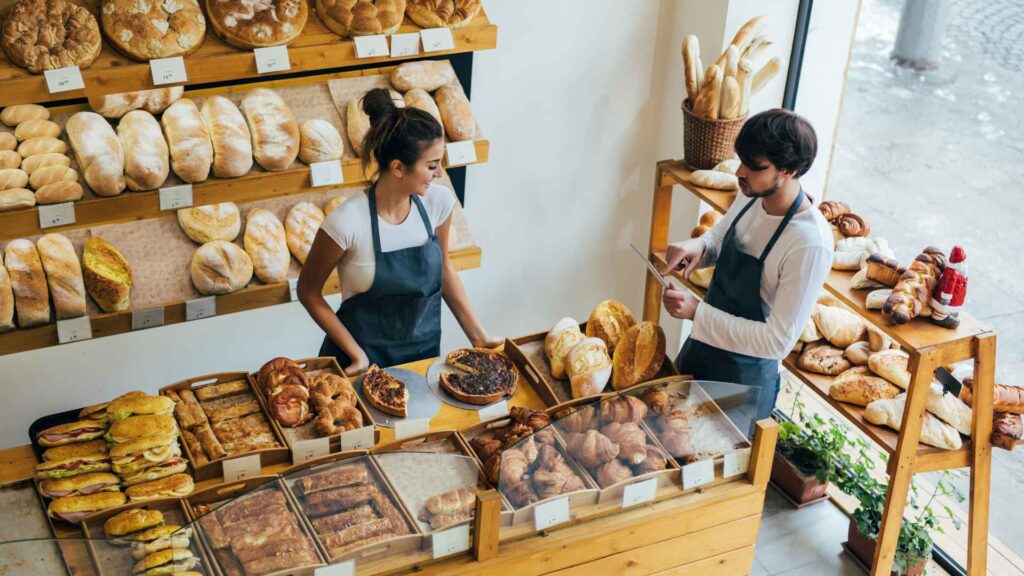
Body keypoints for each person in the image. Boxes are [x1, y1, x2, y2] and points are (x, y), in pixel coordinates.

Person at [298, 88, 500, 376]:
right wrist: (356, 355)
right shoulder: (347, 223)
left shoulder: (438, 203)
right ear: (398, 167)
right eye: (431, 166)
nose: (439, 173)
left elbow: (444, 268)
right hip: (359, 367)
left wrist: (479, 336)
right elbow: (307, 291)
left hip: (422, 360)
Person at [661, 109, 834, 419]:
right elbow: (720, 238)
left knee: (705, 466)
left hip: (742, 387)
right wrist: (698, 246)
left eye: (755, 166)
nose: (741, 172)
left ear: (789, 169)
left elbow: (776, 342)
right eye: (742, 160)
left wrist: (696, 311)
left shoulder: (810, 243)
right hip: (700, 353)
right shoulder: (752, 192)